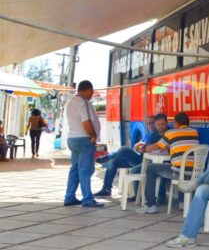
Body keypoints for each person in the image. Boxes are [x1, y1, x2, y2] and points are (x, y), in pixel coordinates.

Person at [136, 112, 199, 214]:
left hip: (178, 173)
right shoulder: (194, 132)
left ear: (176, 123)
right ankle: (182, 202)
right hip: (195, 173)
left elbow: (155, 147)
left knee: (151, 169)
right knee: (183, 166)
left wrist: (145, 148)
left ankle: (150, 205)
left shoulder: (171, 133)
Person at [93, 114, 168, 197]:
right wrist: (140, 146)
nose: (150, 125)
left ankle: (108, 157)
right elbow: (137, 147)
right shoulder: (149, 134)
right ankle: (106, 189)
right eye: (149, 123)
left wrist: (141, 148)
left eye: (152, 123)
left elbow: (146, 149)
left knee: (124, 149)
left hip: (145, 161)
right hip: (140, 158)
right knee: (113, 162)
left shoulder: (158, 135)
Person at [63, 80, 104, 208]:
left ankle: (69, 197)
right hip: (83, 139)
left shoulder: (71, 102)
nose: (92, 94)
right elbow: (86, 121)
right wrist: (93, 135)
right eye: (91, 91)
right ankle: (87, 199)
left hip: (73, 139)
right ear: (87, 90)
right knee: (86, 170)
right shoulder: (83, 102)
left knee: (75, 169)